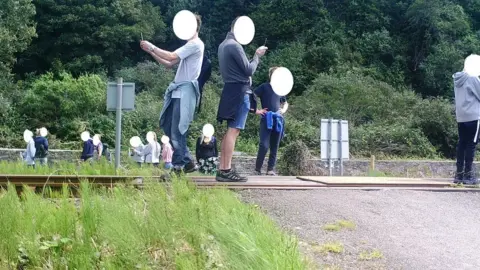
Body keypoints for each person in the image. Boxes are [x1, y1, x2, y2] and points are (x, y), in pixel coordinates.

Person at [140, 14, 204, 174]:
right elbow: (169, 64)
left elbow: (170, 56)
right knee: (169, 127)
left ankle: (178, 166)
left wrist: (152, 46)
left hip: (185, 93)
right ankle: (188, 161)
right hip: (178, 92)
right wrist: (151, 52)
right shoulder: (190, 46)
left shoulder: (195, 44)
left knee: (177, 130)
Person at [216, 17, 267, 182]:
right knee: (234, 130)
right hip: (240, 91)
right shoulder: (234, 46)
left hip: (230, 90)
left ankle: (223, 169)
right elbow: (249, 69)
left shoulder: (222, 45)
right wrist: (257, 56)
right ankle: (227, 170)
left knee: (230, 130)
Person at [251, 67, 288, 176]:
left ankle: (270, 169)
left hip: (278, 119)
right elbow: (253, 95)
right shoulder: (264, 87)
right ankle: (257, 169)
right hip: (266, 118)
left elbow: (285, 102)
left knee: (275, 145)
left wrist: (284, 110)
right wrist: (257, 110)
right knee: (264, 145)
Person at [453, 59, 480, 185]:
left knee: (462, 143)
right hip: (474, 116)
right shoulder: (473, 78)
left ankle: (459, 175)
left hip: (461, 116)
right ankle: (468, 175)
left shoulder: (457, 78)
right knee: (471, 144)